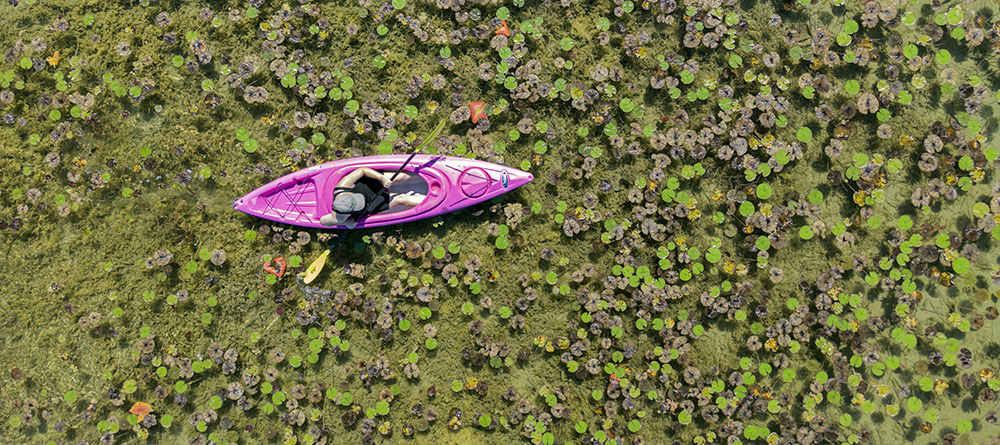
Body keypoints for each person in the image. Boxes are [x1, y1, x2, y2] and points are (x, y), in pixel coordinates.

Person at [320, 167, 424, 227]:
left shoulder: (343, 186)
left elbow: (362, 171)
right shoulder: (339, 216)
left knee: (401, 177)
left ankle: (424, 176)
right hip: (372, 203)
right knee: (401, 199)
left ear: (349, 194)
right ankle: (432, 199)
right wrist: (346, 223)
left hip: (370, 185)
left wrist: (382, 178)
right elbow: (322, 221)